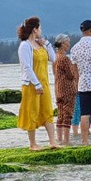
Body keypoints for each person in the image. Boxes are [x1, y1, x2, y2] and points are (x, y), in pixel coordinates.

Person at [15, 16, 59, 150]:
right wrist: (37, 84)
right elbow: (27, 67)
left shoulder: (40, 44)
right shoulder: (25, 45)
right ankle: (32, 144)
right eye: (40, 28)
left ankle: (53, 141)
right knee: (32, 111)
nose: (41, 30)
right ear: (35, 29)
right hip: (31, 85)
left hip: (44, 82)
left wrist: (46, 44)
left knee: (47, 110)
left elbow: (53, 58)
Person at [52, 34, 79, 145]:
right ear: (63, 44)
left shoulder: (55, 57)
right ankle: (66, 140)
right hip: (67, 89)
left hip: (58, 88)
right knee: (67, 115)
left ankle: (59, 139)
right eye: (67, 42)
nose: (69, 44)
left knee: (60, 115)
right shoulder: (64, 58)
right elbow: (71, 75)